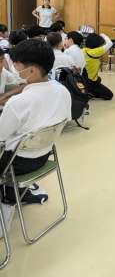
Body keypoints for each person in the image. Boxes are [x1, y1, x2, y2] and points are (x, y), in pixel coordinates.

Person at [0, 39, 71, 206]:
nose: (14, 69)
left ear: (31, 70)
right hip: (43, 156)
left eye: (16, 66)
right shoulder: (63, 92)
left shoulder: (19, 103)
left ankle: (9, 195)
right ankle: (12, 194)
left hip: (14, 165)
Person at [83, 33, 113, 100]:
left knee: (98, 79)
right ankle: (89, 91)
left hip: (85, 79)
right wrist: (102, 34)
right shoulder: (95, 52)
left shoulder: (83, 50)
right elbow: (110, 43)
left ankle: (88, 91)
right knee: (109, 95)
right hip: (90, 82)